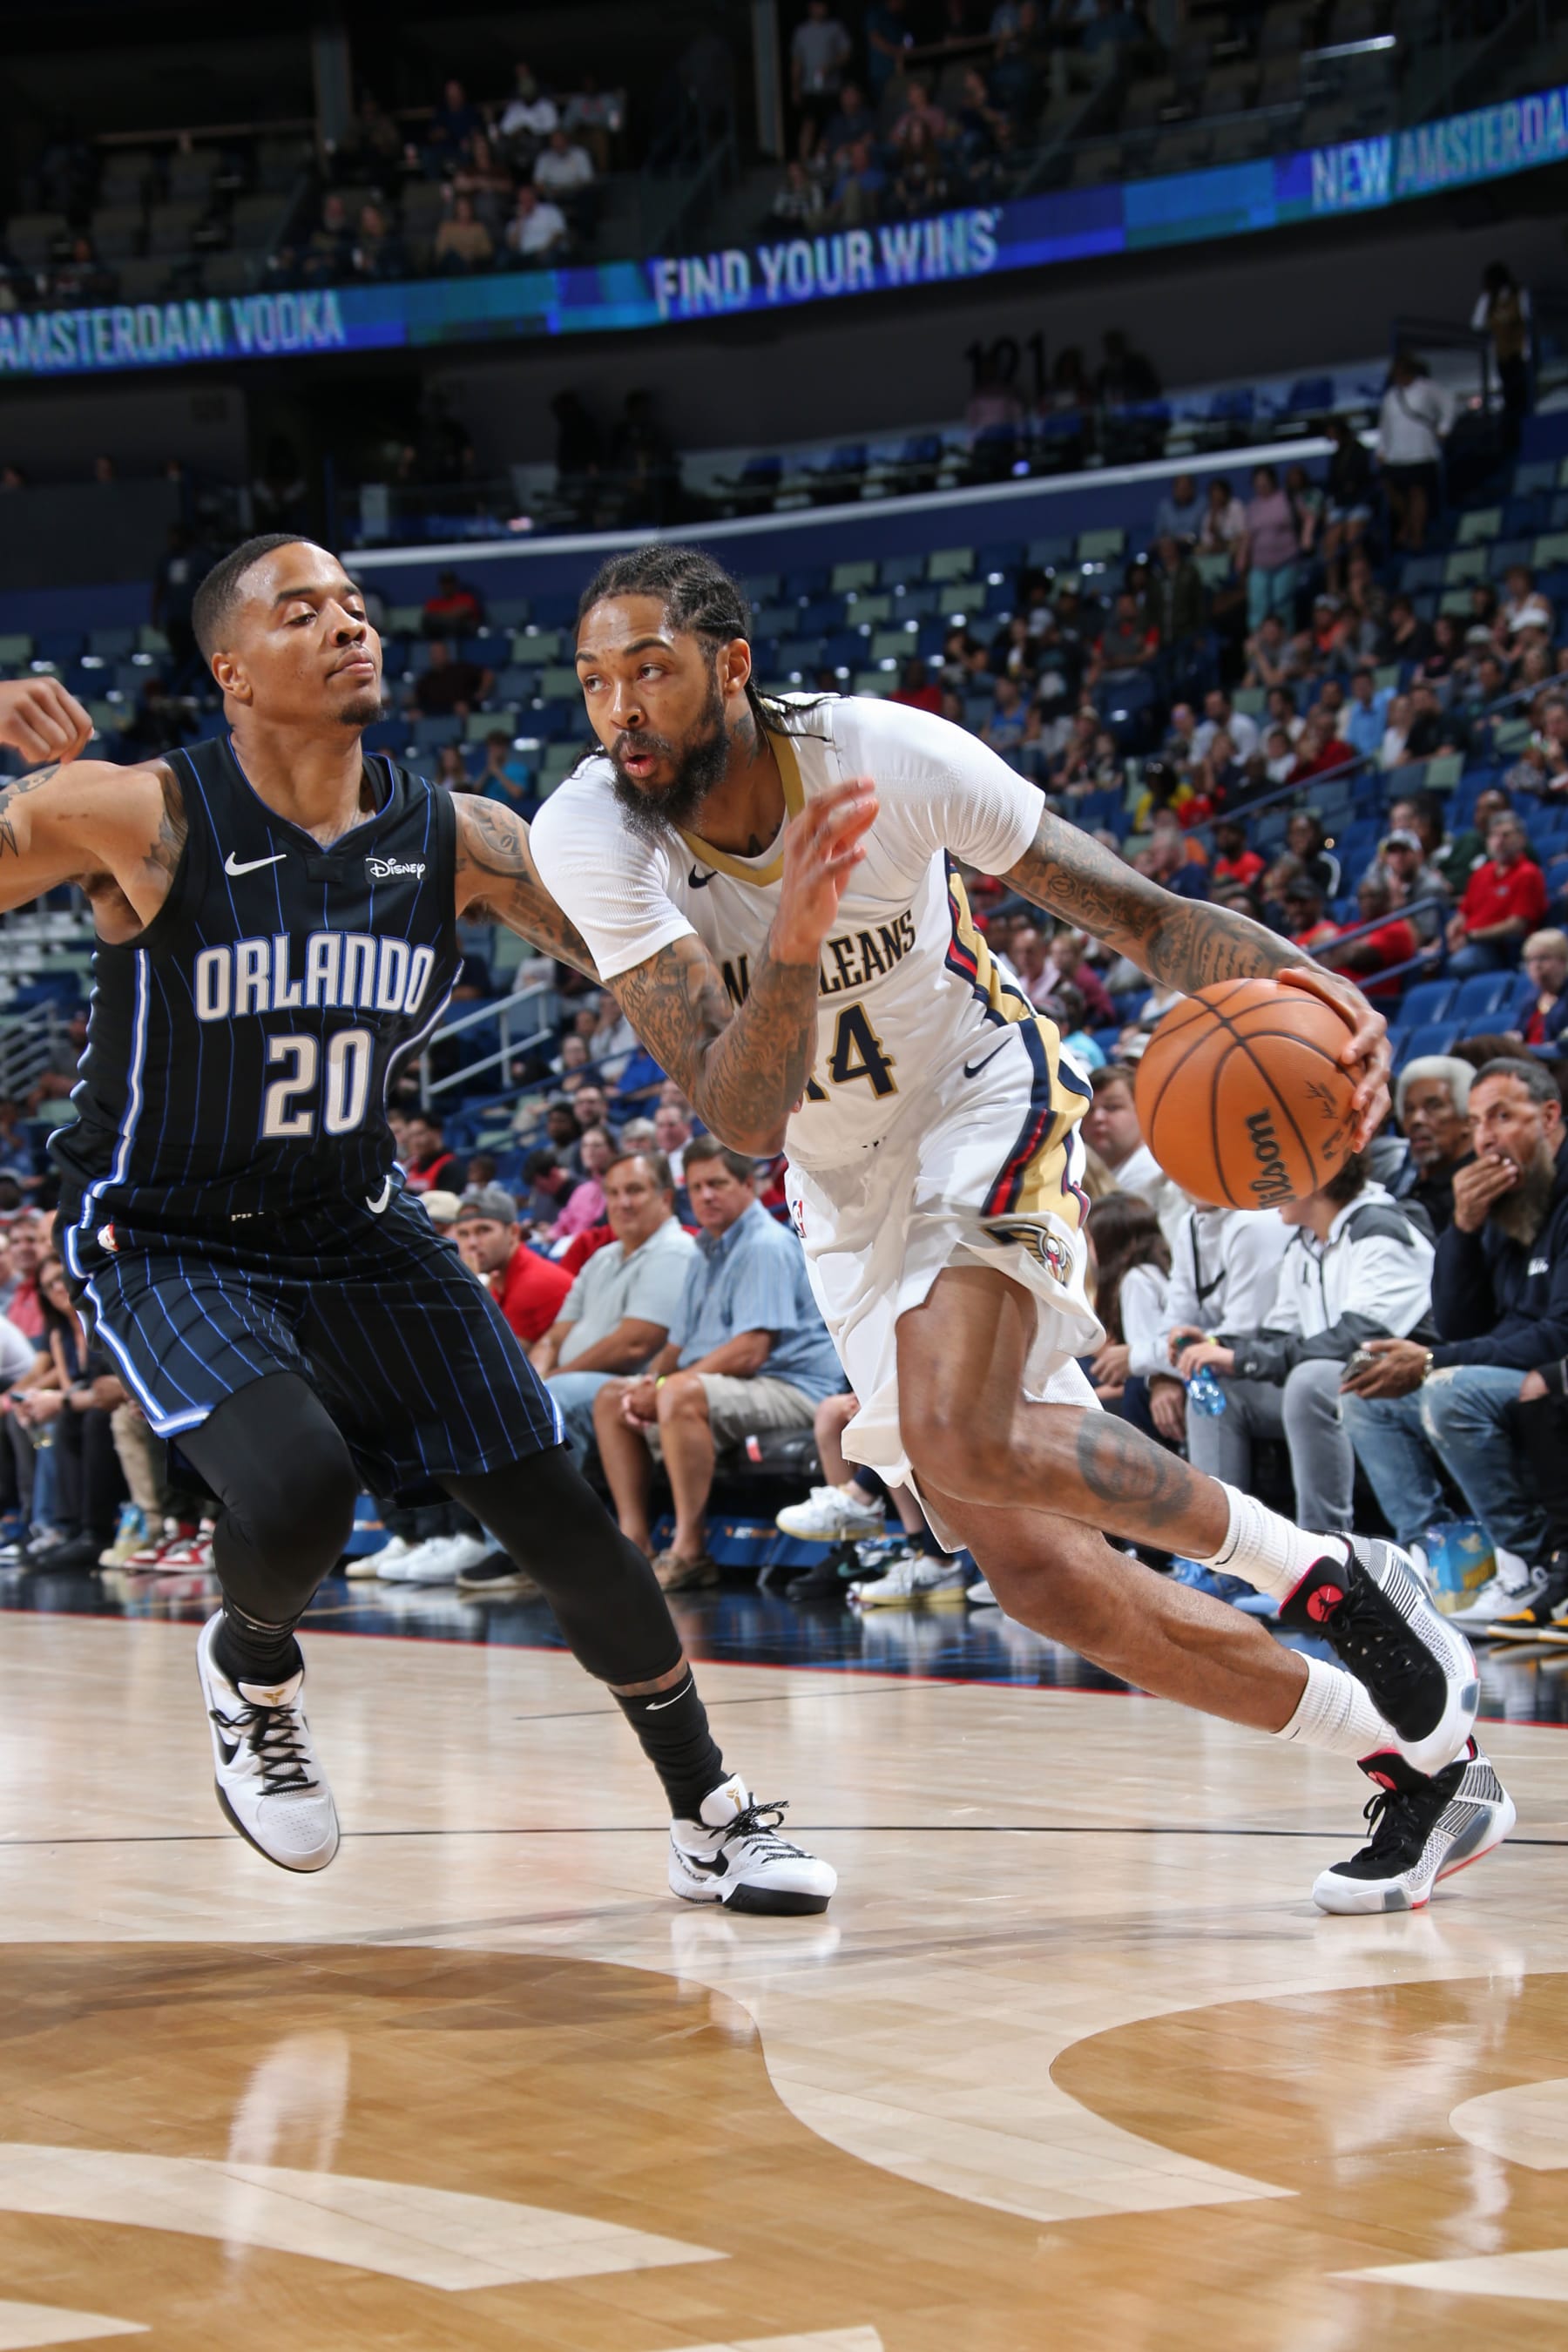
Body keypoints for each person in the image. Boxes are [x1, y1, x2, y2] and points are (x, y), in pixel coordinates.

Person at [529, 543, 1501, 1915]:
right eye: (593, 683)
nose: (618, 710)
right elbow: (741, 1115)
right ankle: (1423, 1759)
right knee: (1046, 1579)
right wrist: (796, 936)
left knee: (956, 1430)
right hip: (836, 1186)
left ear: (731, 668)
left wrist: (1317, 988)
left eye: (650, 672)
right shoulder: (595, 833)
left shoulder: (886, 755)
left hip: (987, 1104)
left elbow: (1139, 916)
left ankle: (1337, 1582)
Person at [0, 549, 833, 1915]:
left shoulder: (459, 837)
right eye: (300, 612)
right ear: (230, 672)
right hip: (169, 1231)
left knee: (564, 1518)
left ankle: (711, 1812)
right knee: (297, 1488)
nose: (345, 625)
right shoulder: (136, 814)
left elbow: (652, 964)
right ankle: (254, 1665)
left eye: (353, 606)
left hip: (360, 1217)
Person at [1342, 1058, 1568, 1633]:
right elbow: (1458, 1324)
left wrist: (1439, 1362)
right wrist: (1463, 1229)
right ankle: (1439, 1562)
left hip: (1552, 1372)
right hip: (1506, 1373)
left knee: (1448, 1392)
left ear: (1549, 1117)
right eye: (1478, 1121)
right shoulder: (1505, 1196)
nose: (1487, 1136)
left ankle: (1531, 1562)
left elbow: (1558, 1333)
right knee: (1365, 1390)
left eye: (1504, 1117)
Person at [592, 1138, 843, 1592]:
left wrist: (667, 1384)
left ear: (748, 1184)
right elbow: (677, 1345)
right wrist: (648, 1382)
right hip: (735, 1383)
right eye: (696, 1187)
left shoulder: (763, 1243)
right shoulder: (705, 1247)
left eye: (718, 1184)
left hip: (792, 1388)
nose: (705, 1196)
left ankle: (690, 1551)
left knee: (679, 1392)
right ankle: (635, 1544)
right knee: (613, 1397)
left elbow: (751, 1351)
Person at [1176, 1153, 1435, 1547]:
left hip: (1405, 1381)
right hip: (1335, 1384)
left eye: (1272, 1180)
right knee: (1217, 1389)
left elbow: (1361, 1339)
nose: (1263, 1192)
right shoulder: (1305, 1242)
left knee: (1309, 1382)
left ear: (1313, 1182)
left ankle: (1326, 1548)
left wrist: (1243, 1358)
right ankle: (1217, 1554)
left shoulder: (1380, 1227)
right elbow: (1279, 1334)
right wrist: (1217, 1346)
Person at [518, 1147, 696, 1486]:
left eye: (635, 1190)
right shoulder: (601, 1257)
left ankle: (549, 1533)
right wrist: (533, 1381)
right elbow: (555, 1337)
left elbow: (635, 1344)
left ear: (666, 1198)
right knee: (504, 1402)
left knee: (553, 1401)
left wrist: (550, 1380)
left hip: (632, 1381)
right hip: (572, 1380)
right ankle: (476, 1535)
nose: (622, 1203)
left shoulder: (674, 1249)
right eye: (613, 1193)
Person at [1080, 1063, 1186, 1245]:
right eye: (1089, 1110)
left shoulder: (1152, 1171)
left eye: (1112, 1107)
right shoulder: (1094, 1167)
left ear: (1142, 1112)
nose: (1097, 1118)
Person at [453, 1186, 573, 1343]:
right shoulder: (501, 1278)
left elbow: (499, 1360)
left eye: (483, 1230)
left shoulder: (531, 1283)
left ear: (514, 1232)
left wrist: (469, 1293)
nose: (472, 1243)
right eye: (463, 1234)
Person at [1445, 812, 1548, 976]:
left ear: (1521, 840)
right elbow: (1464, 913)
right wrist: (1453, 928)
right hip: (1469, 941)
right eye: (1493, 835)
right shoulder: (1480, 873)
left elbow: (1517, 925)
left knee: (1461, 963)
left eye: (1506, 835)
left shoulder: (1528, 874)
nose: (1499, 841)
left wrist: (1473, 936)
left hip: (1501, 948)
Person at [1378, 352, 1454, 553]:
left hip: (1422, 450)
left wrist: (1444, 429)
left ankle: (1417, 534)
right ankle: (1406, 521)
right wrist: (1382, 449)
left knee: (1417, 492)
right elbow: (1385, 425)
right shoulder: (1391, 396)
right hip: (1397, 454)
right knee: (1389, 486)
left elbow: (1449, 404)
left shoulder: (1428, 388)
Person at [1392, 1057, 1473, 1236]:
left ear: (1469, 1118)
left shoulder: (1479, 1189)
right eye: (1409, 1109)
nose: (1416, 1120)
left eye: (1434, 1106)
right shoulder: (1412, 1181)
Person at [1520, 927, 1568, 1049]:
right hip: (1527, 1058)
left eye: (1543, 958)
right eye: (1530, 960)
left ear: (1563, 961)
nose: (1536, 966)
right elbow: (1517, 1030)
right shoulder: (1532, 996)